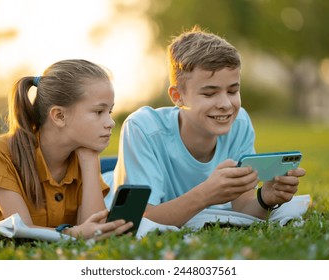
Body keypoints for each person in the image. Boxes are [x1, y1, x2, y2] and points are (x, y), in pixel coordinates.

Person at [113, 26, 306, 228]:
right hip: (119, 178)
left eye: (232, 91)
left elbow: (243, 208)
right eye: (209, 94)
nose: (225, 104)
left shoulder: (239, 123)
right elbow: (135, 221)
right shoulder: (143, 128)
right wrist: (206, 194)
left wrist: (265, 199)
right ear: (177, 96)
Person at [0, 59, 133, 240]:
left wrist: (90, 160)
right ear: (59, 116)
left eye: (110, 112)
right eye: (99, 112)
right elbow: (22, 231)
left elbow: (95, 230)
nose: (110, 123)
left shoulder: (83, 155)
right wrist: (72, 233)